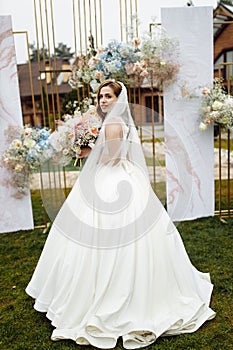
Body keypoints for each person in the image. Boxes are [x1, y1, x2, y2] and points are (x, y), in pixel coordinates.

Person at [26, 80, 215, 349]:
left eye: (108, 96)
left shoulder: (114, 125)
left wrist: (85, 147)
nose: (103, 100)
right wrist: (83, 143)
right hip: (119, 179)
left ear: (118, 99)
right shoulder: (112, 123)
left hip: (113, 182)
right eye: (100, 96)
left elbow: (109, 159)